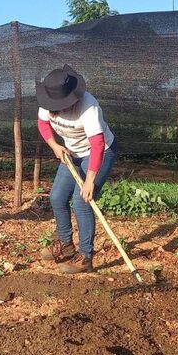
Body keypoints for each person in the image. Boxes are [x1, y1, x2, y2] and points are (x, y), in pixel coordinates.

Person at [36, 64, 117, 273]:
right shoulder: (47, 102)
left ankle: (86, 257)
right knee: (56, 197)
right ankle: (66, 245)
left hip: (99, 152)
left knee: (81, 202)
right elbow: (43, 124)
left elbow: (98, 144)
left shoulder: (88, 106)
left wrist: (90, 180)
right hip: (72, 153)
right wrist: (55, 145)